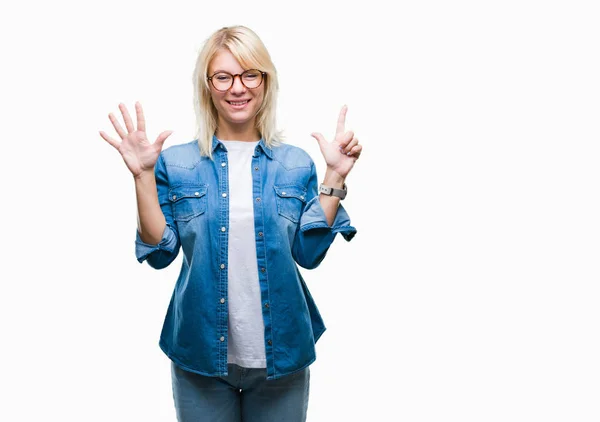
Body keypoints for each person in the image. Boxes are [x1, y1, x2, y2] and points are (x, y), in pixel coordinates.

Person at [99, 25, 362, 422]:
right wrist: (141, 177)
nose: (237, 87)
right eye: (223, 76)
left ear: (265, 82)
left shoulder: (295, 163)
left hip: (282, 355)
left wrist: (335, 177)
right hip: (200, 354)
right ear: (207, 85)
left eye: (249, 74)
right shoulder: (177, 163)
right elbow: (159, 253)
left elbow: (308, 255)